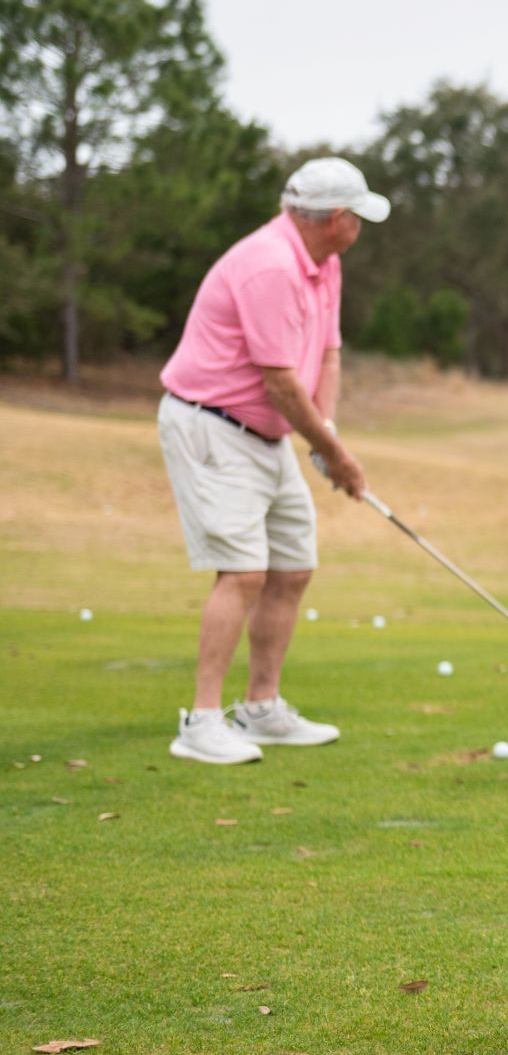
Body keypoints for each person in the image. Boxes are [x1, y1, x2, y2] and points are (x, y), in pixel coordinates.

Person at [155, 158, 388, 765]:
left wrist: (325, 438)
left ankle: (260, 707)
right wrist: (336, 456)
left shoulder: (323, 264)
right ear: (336, 218)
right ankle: (201, 721)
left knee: (291, 564)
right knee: (242, 571)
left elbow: (327, 357)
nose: (360, 229)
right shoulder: (271, 268)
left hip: (265, 435)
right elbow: (281, 383)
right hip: (211, 424)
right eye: (357, 218)